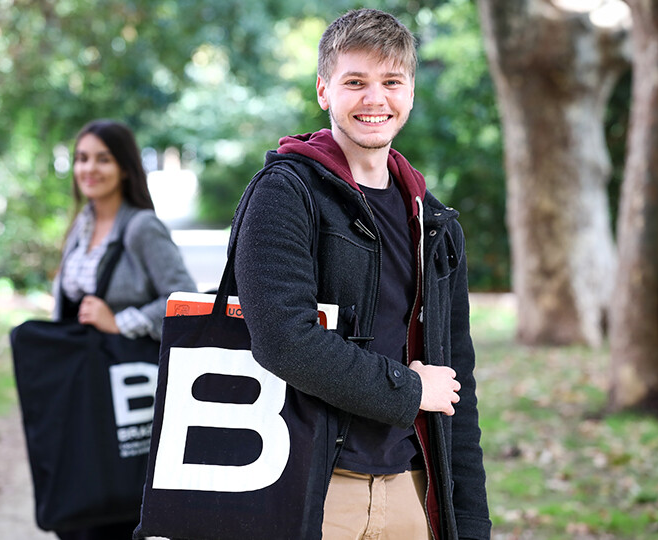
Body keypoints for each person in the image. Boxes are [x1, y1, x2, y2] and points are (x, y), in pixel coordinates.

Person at [233, 8, 491, 540]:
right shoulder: (285, 193)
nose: (375, 99)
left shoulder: (434, 221)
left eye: (391, 82)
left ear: (411, 92)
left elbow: (455, 381)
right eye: (356, 82)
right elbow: (284, 341)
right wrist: (408, 388)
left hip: (410, 491)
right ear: (325, 91)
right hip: (309, 489)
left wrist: (469, 521)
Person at [51, 119, 197, 540]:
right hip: (87, 384)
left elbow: (184, 298)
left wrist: (121, 322)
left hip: (128, 386)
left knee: (114, 497)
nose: (88, 169)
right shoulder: (81, 225)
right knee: (79, 493)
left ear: (126, 169)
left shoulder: (141, 228)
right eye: (81, 159)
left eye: (103, 159)